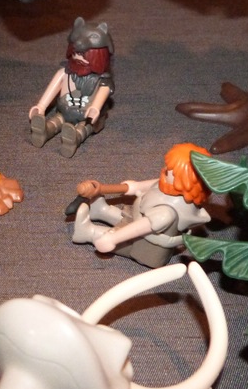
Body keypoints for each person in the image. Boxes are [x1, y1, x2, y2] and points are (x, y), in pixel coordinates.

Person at [72, 143, 212, 268]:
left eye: (170, 170)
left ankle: (87, 232)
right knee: (126, 218)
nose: (165, 169)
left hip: (145, 247)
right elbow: (151, 184)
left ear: (184, 181)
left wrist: (113, 239)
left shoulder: (166, 213)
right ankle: (101, 211)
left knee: (121, 235)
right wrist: (133, 187)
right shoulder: (170, 185)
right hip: (139, 217)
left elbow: (140, 228)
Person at [29, 17, 114, 157]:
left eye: (83, 55)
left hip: (86, 115)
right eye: (75, 54)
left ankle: (75, 138)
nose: (78, 58)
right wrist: (41, 106)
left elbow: (101, 95)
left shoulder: (102, 81)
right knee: (57, 120)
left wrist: (94, 109)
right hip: (65, 110)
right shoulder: (65, 73)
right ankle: (44, 131)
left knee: (84, 127)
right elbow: (53, 88)